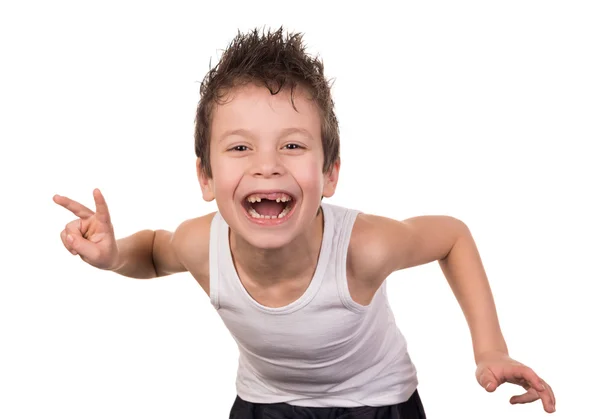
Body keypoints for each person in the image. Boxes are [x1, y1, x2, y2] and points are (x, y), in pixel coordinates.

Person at [53, 27, 556, 418]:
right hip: (265, 404)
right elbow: (156, 251)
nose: (266, 164)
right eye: (239, 147)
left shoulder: (364, 247)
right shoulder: (200, 245)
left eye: (292, 145)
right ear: (206, 177)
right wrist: (114, 256)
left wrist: (490, 348)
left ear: (329, 174)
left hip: (376, 404)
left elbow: (451, 236)